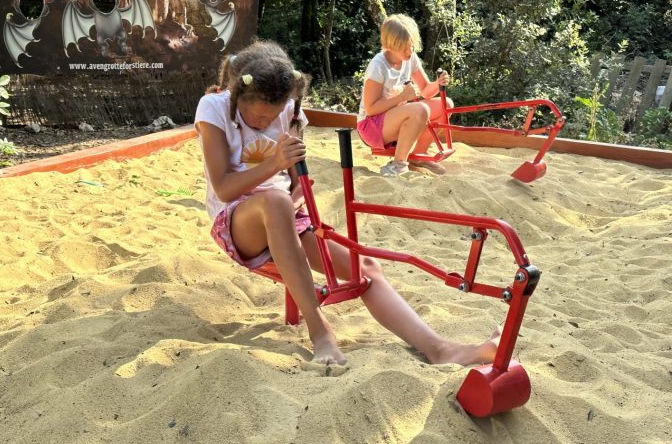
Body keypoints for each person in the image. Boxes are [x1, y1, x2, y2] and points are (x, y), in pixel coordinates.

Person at [195, 40, 498, 366]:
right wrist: (274, 166)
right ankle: (320, 332)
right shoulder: (213, 108)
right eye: (256, 117)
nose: (265, 122)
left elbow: (296, 185)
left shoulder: (289, 111)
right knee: (274, 202)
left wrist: (298, 192)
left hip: (284, 214)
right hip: (236, 223)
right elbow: (224, 188)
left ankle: (440, 349)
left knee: (364, 268)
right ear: (237, 95)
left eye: (272, 116)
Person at [357, 14, 454, 177]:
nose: (409, 51)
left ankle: (418, 155)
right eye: (404, 48)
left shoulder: (410, 58)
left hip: (394, 117)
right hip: (371, 126)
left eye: (412, 46)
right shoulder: (378, 66)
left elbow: (424, 90)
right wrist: (402, 97)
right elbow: (371, 109)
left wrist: (438, 83)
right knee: (420, 110)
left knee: (446, 105)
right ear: (390, 45)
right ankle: (398, 164)